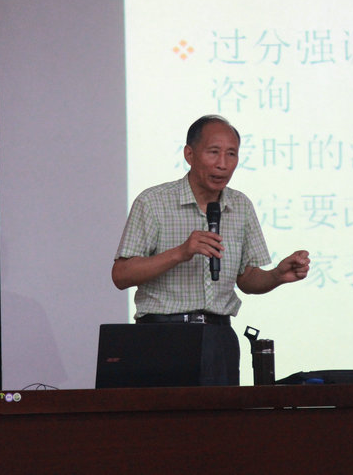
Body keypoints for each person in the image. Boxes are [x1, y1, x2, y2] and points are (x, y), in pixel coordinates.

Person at [111, 114, 310, 385]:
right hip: (161, 336)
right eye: (213, 152)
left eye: (231, 154)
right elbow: (121, 275)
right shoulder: (153, 202)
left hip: (219, 339)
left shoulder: (240, 206)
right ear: (189, 154)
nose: (222, 164)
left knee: (223, 414)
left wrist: (276, 275)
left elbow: (247, 279)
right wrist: (181, 252)